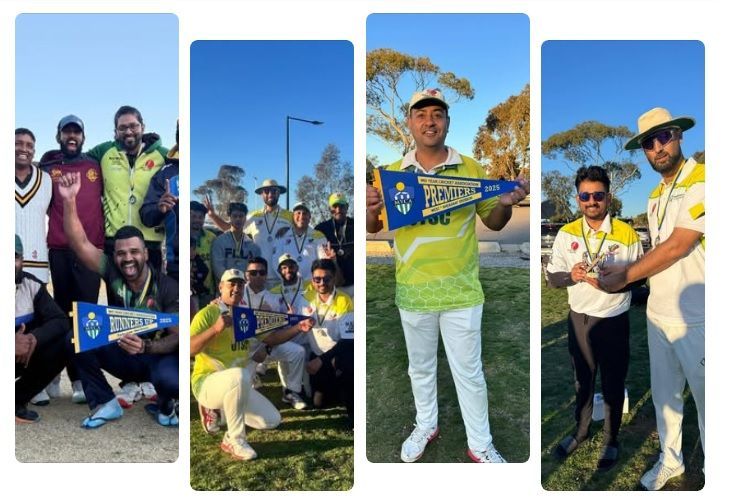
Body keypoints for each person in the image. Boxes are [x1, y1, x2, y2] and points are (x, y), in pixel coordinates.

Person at [365, 89, 528, 463]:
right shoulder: (393, 174)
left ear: (447, 123)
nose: (429, 121)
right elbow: (375, 227)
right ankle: (426, 424)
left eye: (437, 114)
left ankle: (481, 444)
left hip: (462, 291)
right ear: (410, 122)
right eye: (421, 115)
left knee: (470, 374)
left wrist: (506, 204)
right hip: (413, 291)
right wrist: (371, 209)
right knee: (420, 368)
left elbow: (494, 220)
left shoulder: (471, 168)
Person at [601, 107, 704, 490]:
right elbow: (658, 251)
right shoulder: (656, 194)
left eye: (664, 137)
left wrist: (625, 277)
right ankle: (671, 461)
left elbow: (679, 245)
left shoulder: (705, 179)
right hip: (659, 316)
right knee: (665, 399)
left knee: (711, 405)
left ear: (678, 135)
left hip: (700, 318)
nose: (657, 147)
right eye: (648, 142)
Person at [57, 171, 179, 428]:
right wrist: (69, 201)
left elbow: (178, 337)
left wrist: (146, 347)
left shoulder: (167, 287)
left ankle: (167, 405)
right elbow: (79, 243)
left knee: (172, 379)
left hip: (155, 358)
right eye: (121, 253)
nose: (128, 258)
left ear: (146, 253)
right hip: (124, 357)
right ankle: (105, 403)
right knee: (76, 337)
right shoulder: (112, 270)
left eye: (134, 251)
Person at [545, 165, 642, 471]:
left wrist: (623, 278)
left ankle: (611, 440)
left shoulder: (626, 234)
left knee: (613, 383)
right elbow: (552, 279)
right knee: (582, 381)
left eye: (598, 195)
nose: (591, 201)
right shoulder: (566, 233)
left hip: (614, 318)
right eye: (585, 195)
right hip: (579, 320)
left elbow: (642, 276)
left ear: (608, 197)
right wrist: (570, 276)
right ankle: (582, 432)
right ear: (578, 199)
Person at [191, 268, 314, 461]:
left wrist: (298, 328)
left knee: (271, 421)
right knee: (240, 375)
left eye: (240, 284)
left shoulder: (245, 316)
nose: (236, 288)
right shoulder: (207, 314)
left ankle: (220, 411)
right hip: (207, 383)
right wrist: (215, 329)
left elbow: (272, 338)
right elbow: (189, 350)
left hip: (237, 384)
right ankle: (234, 439)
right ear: (220, 287)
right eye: (231, 283)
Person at [39, 114, 104, 404]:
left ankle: (80, 379)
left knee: (87, 315)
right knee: (62, 313)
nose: (71, 137)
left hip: (91, 251)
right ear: (58, 137)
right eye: (67, 132)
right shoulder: (48, 168)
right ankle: (54, 372)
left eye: (76, 132)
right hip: (60, 251)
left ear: (84, 137)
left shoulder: (95, 165)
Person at [87, 105, 168, 271]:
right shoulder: (104, 151)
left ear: (143, 127)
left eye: (133, 126)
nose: (129, 131)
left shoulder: (163, 155)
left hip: (150, 244)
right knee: (116, 296)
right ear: (116, 132)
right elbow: (76, 161)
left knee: (150, 297)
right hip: (115, 242)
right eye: (122, 128)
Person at [15, 235, 71, 423]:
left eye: (14, 257)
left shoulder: (31, 285)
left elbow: (60, 320)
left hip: (21, 355)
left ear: (22, 260)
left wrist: (33, 338)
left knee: (65, 344)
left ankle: (14, 403)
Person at [242, 257, 307, 409]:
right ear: (246, 275)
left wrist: (289, 318)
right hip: (243, 347)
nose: (257, 276)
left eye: (261, 272)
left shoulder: (273, 298)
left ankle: (290, 392)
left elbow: (280, 327)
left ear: (266, 275)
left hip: (267, 344)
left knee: (297, 352)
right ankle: (249, 383)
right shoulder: (238, 293)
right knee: (245, 393)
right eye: (253, 272)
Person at [300, 259, 354, 428]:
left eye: (327, 279)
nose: (322, 283)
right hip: (317, 355)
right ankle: (332, 388)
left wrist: (322, 359)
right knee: (318, 403)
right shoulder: (305, 296)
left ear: (334, 277)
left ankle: (354, 417)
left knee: (348, 369)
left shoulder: (344, 301)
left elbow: (348, 340)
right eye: (317, 279)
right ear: (312, 279)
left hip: (337, 354)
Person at [141, 120, 180, 280]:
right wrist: (159, 207)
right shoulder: (166, 173)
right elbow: (146, 215)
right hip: (176, 265)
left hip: (206, 262)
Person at [15, 128, 52, 282]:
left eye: (29, 145)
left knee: (36, 306)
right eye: (18, 143)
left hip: (38, 264)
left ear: (34, 151)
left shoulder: (46, 180)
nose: (24, 149)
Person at [244, 179, 294, 287]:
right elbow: (232, 228)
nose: (270, 194)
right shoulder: (253, 216)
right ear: (262, 194)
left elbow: (304, 234)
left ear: (279, 193)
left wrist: (291, 230)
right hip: (259, 277)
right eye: (266, 191)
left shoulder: (291, 216)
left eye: (274, 191)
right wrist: (212, 215)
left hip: (282, 277)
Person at [271, 201, 330, 282]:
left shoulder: (319, 236)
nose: (301, 216)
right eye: (298, 213)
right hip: (289, 284)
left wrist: (316, 281)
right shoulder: (281, 236)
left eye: (305, 213)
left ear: (310, 217)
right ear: (293, 216)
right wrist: (288, 279)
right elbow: (275, 262)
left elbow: (324, 262)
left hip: (312, 285)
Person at [210, 202, 261, 284]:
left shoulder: (253, 246)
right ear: (230, 218)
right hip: (225, 288)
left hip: (246, 289)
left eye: (241, 216)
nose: (238, 219)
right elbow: (218, 268)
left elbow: (255, 269)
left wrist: (245, 283)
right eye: (235, 216)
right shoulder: (219, 242)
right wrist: (232, 283)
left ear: (245, 218)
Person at [315, 192, 354, 297]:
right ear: (329, 208)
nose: (338, 210)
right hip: (332, 287)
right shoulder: (321, 229)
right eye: (335, 206)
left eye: (341, 206)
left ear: (347, 207)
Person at [191, 200, 217, 305]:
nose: (197, 220)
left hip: (208, 292)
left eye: (200, 217)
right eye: (193, 216)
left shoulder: (212, 237)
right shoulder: (178, 237)